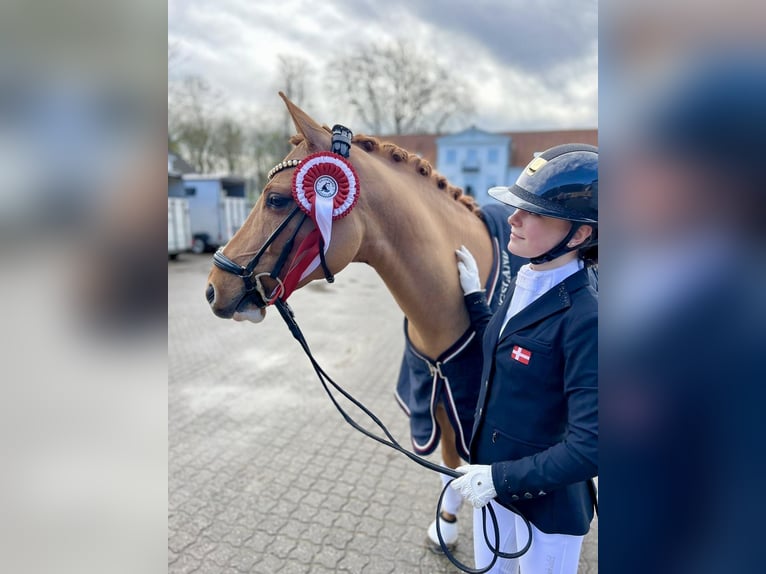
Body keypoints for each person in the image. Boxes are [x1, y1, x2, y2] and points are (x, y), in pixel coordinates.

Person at [450, 144, 598, 573]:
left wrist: (499, 479)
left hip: (544, 510)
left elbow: (592, 446)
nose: (513, 218)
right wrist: (476, 298)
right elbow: (507, 348)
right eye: (517, 207)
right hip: (492, 489)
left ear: (580, 233)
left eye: (534, 211)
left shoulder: (588, 317)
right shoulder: (529, 276)